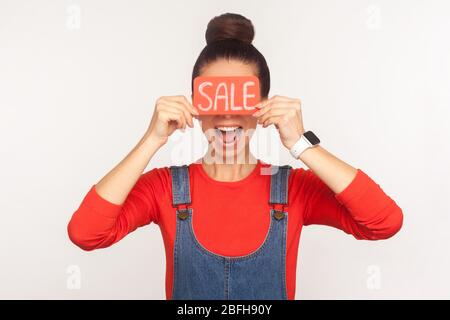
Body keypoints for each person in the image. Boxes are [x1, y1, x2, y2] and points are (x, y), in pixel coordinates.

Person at [67, 13, 403, 300]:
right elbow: (86, 234)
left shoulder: (292, 188)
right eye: (215, 99)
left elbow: (383, 222)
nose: (227, 117)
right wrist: (152, 138)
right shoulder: (166, 188)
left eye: (240, 100)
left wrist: (300, 144)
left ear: (264, 105)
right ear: (196, 104)